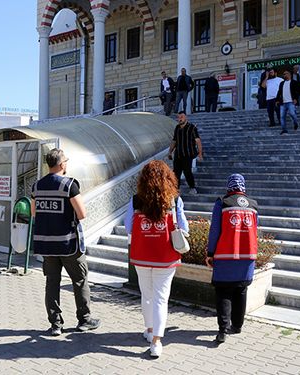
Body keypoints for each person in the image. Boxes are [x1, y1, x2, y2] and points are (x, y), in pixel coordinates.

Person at [30, 148, 100, 336]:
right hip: (68, 244)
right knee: (79, 280)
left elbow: (34, 213)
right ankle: (84, 320)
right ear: (61, 164)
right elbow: (82, 214)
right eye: (66, 161)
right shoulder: (69, 185)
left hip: (46, 244)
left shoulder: (37, 186)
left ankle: (56, 324)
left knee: (52, 282)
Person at [125, 160, 189, 358]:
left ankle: (150, 330)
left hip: (142, 254)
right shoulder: (174, 200)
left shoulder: (136, 200)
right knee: (161, 298)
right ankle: (156, 342)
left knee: (147, 295)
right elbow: (184, 228)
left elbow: (128, 227)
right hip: (166, 257)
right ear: (168, 178)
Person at [205, 174, 259, 343]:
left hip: (225, 255)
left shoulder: (222, 203)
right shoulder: (253, 205)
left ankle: (222, 330)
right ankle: (238, 325)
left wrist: (210, 253)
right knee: (241, 290)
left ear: (229, 186)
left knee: (223, 291)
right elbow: (255, 230)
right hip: (247, 255)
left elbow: (215, 230)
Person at [168, 112, 203, 195]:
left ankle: (192, 187)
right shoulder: (177, 128)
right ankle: (176, 190)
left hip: (188, 154)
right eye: (179, 117)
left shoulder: (192, 127)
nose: (180, 119)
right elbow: (174, 140)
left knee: (187, 171)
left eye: (182, 117)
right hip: (178, 154)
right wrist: (170, 152)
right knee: (176, 173)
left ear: (185, 117)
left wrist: (200, 153)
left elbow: (198, 141)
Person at [276, 70, 300, 135]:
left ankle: (295, 123)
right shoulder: (282, 83)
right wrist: (277, 100)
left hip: (291, 102)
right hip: (283, 103)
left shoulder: (294, 82)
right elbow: (279, 92)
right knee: (282, 116)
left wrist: (296, 99)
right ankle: (284, 130)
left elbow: (298, 91)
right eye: (283, 74)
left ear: (290, 74)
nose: (284, 75)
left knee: (292, 114)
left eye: (285, 74)